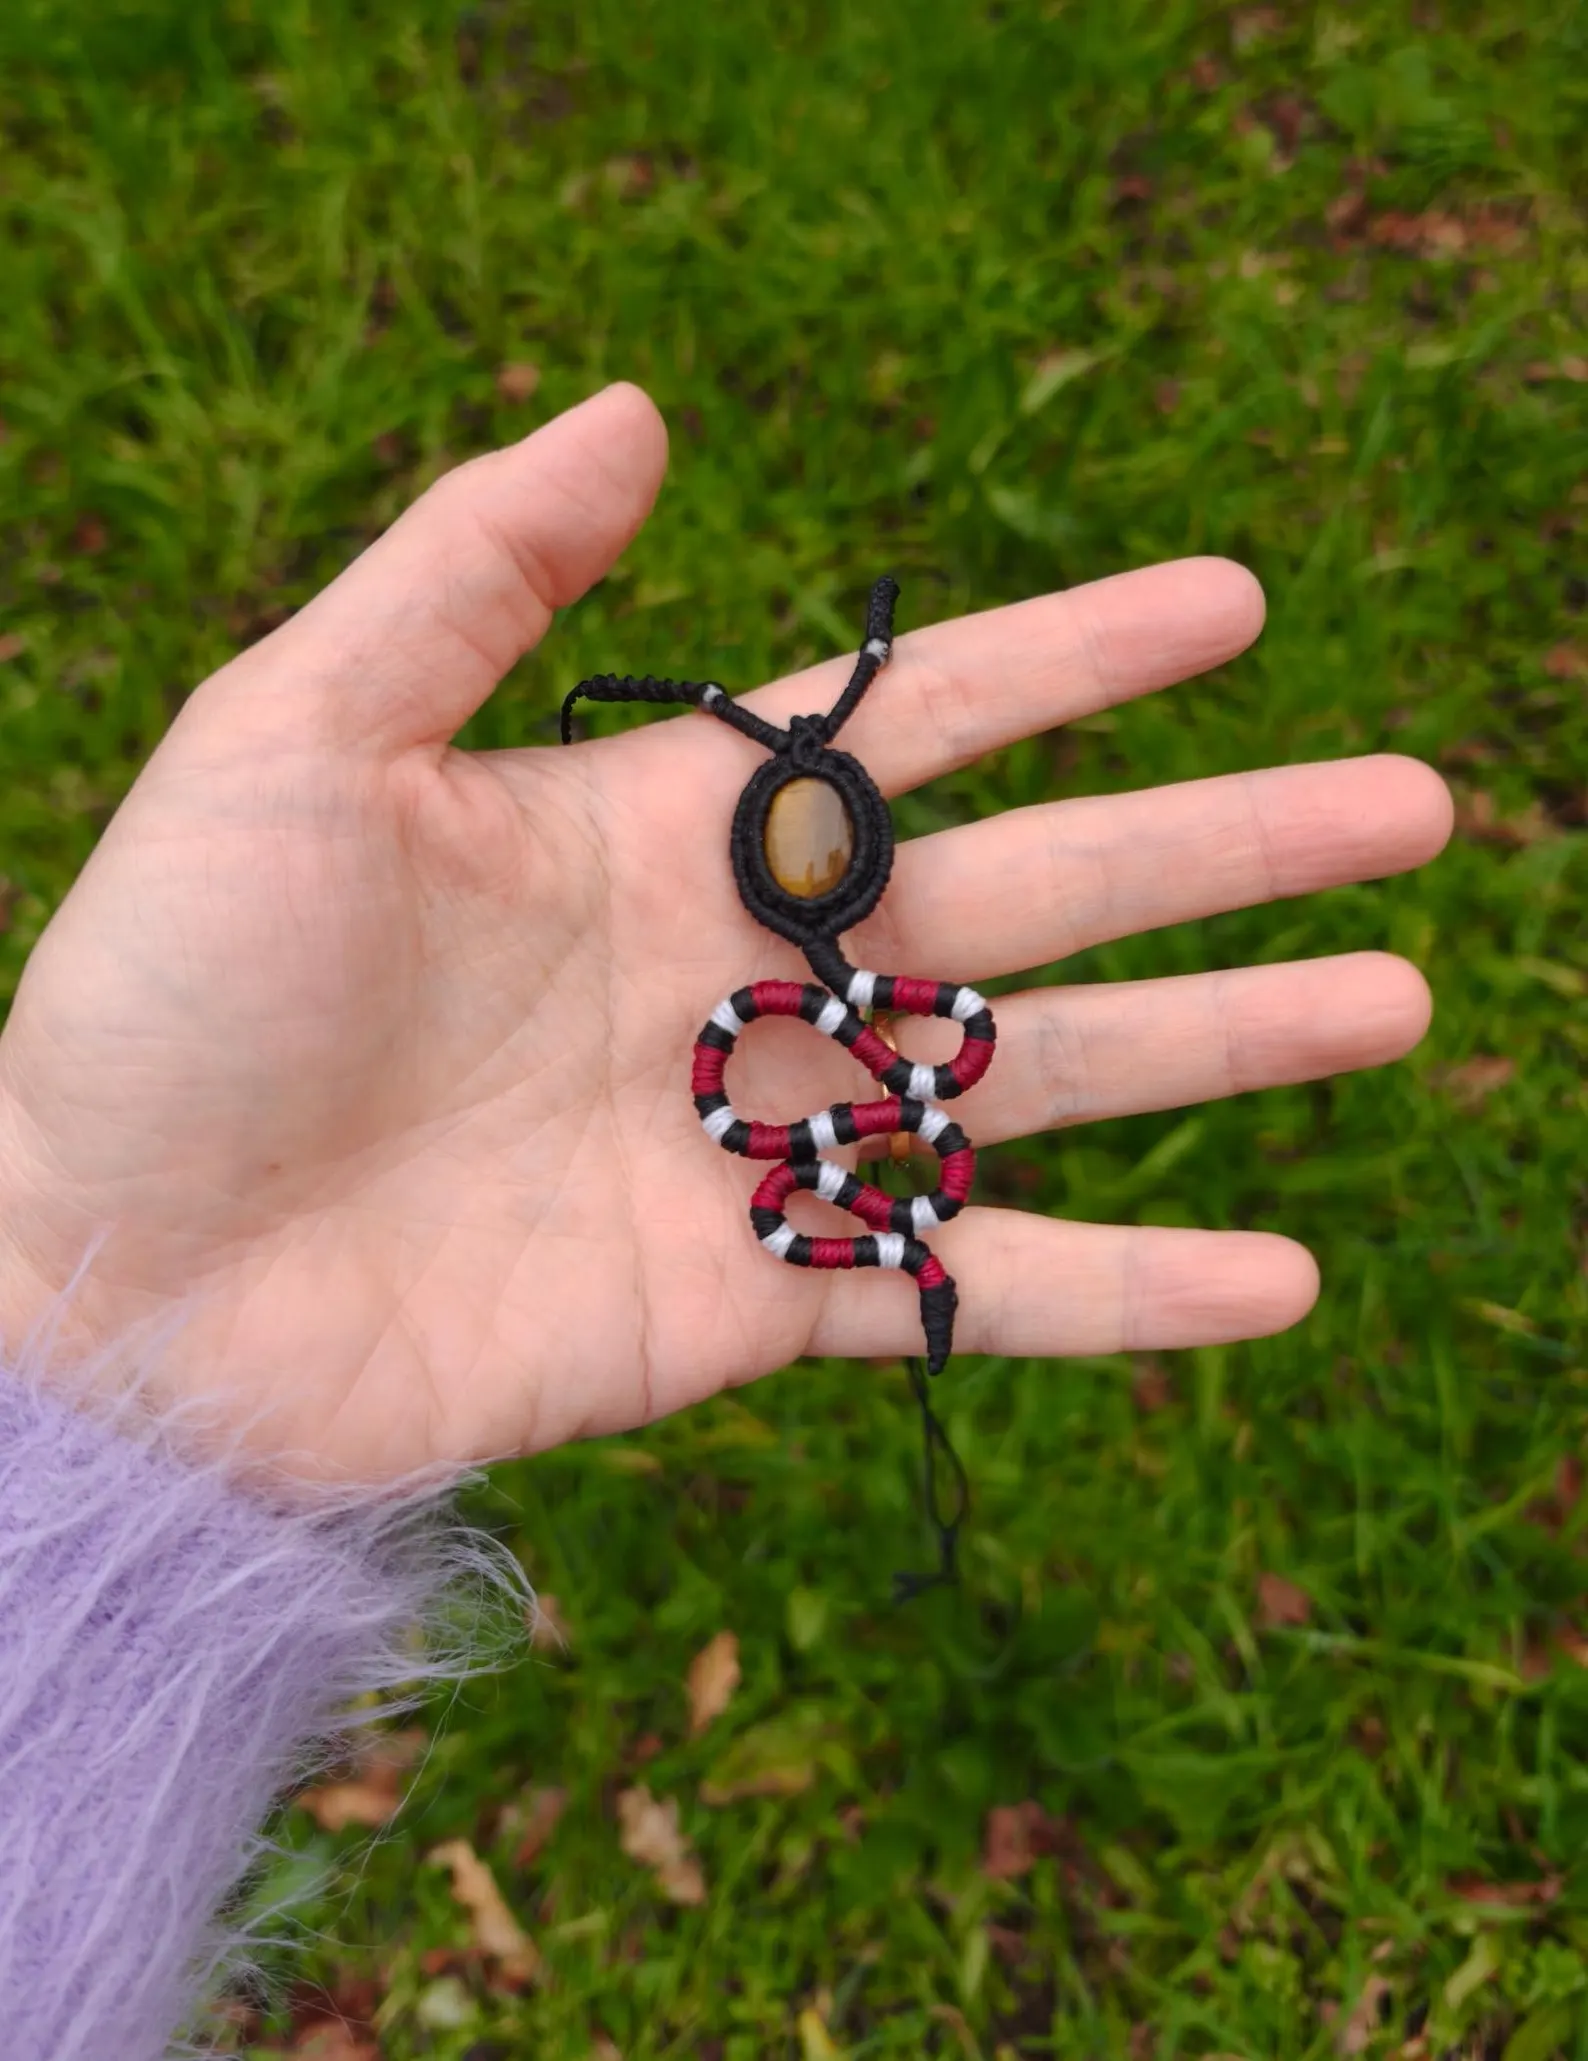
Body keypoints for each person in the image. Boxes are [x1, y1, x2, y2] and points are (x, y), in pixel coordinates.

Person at [0, 383, 1453, 2058]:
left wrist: (81, 1337)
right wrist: (75, 1336)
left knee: (899, 1195)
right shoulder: (824, 1032)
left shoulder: (819, 1024)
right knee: (903, 1199)